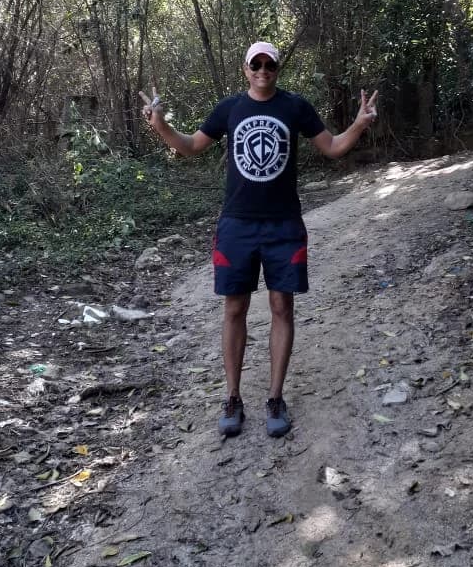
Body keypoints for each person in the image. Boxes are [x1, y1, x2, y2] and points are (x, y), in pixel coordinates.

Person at [140, 41, 378, 439]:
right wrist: (160, 124)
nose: (263, 70)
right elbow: (191, 147)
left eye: (270, 64)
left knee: (281, 306)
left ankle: (274, 398)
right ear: (246, 68)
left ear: (277, 69)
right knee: (234, 309)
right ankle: (232, 398)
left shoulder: (295, 107)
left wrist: (359, 123)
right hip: (237, 224)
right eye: (257, 64)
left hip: (284, 225)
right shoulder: (229, 109)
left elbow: (333, 147)